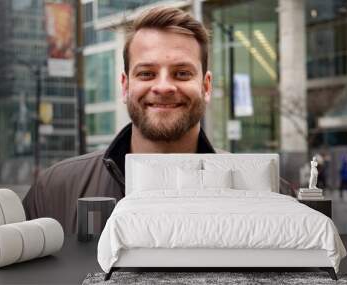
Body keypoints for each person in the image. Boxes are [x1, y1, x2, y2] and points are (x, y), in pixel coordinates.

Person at [23, 7, 223, 234]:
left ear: (206, 87)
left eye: (182, 73)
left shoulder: (260, 189)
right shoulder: (53, 191)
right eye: (147, 73)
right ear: (126, 86)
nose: (164, 87)